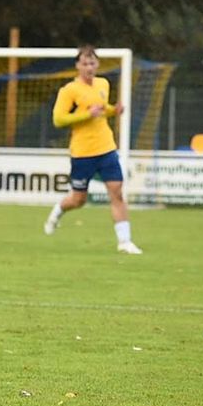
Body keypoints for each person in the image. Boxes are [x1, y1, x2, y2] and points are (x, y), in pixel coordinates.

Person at [44, 45, 142, 254]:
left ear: (97, 64)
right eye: (85, 63)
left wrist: (113, 110)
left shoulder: (102, 84)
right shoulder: (69, 90)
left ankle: (124, 242)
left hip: (106, 148)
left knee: (116, 193)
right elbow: (59, 119)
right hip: (82, 153)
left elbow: (101, 108)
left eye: (92, 63)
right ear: (78, 66)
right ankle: (58, 211)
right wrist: (87, 114)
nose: (89, 67)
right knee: (78, 199)